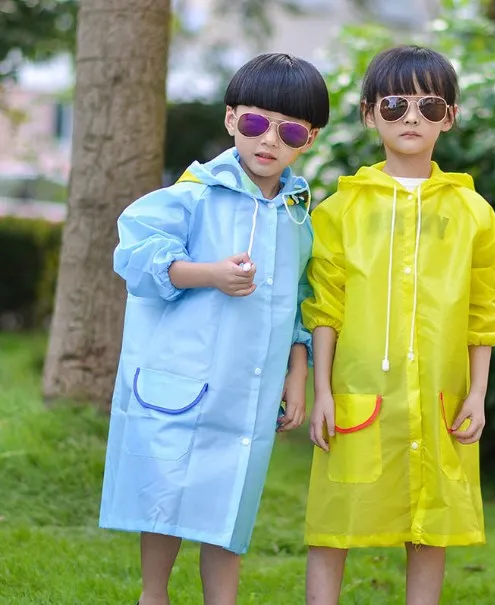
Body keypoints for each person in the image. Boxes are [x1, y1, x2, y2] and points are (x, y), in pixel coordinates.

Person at [99, 52, 329, 605]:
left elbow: (301, 301)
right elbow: (137, 256)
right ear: (231, 119)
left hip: (245, 394)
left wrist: (297, 375)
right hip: (183, 381)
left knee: (231, 505)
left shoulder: (298, 215)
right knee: (164, 499)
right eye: (255, 122)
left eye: (289, 129)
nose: (268, 140)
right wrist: (210, 275)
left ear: (310, 139)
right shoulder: (193, 194)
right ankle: (153, 595)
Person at [302, 45, 495, 605]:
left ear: (450, 117)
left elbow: (482, 315)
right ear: (369, 113)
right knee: (334, 522)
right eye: (394, 104)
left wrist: (479, 395)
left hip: (441, 395)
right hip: (358, 395)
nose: (411, 117)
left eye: (428, 105)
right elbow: (325, 308)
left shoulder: (474, 214)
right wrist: (321, 392)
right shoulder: (339, 212)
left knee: (430, 522)